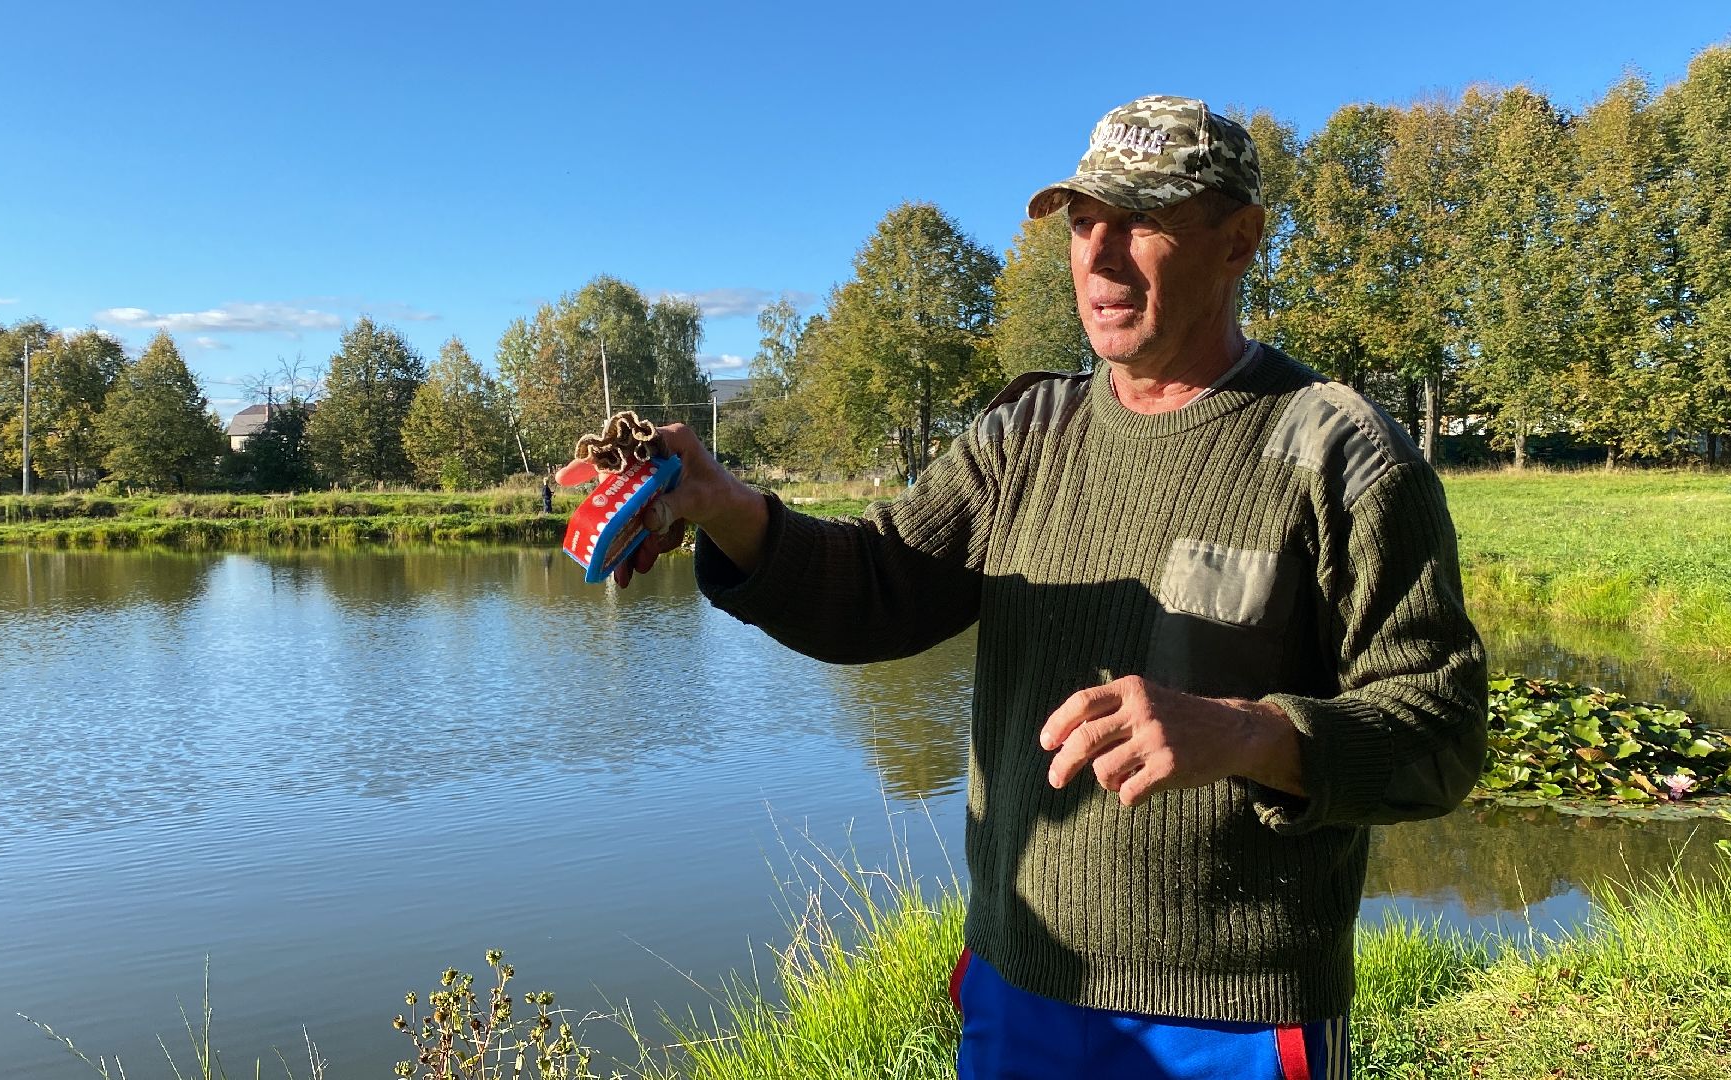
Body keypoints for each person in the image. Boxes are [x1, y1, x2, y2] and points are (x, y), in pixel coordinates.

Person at [604, 95, 1487, 1080]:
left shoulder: (1343, 454)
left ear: (1238, 242)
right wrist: (727, 508)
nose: (1099, 258)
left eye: (1141, 221)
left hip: (1231, 1026)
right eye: (1081, 224)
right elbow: (878, 585)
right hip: (1023, 987)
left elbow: (1441, 738)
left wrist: (1248, 734)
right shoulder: (1028, 434)